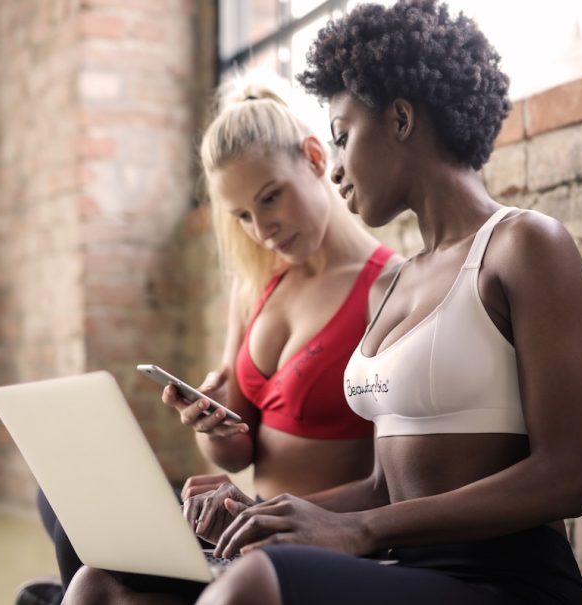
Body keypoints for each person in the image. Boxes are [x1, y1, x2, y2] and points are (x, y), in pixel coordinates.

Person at [63, 1, 582, 604]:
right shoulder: (397, 285)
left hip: (505, 577)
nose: (336, 168)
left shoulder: (524, 244)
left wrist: (360, 530)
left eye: (342, 137)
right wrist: (262, 511)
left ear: (400, 119)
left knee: (256, 584)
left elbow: (565, 478)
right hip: (400, 563)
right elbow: (381, 483)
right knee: (101, 582)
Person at [30, 75, 399, 605]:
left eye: (271, 198)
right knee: (64, 501)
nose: (262, 228)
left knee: (93, 570)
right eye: (244, 216)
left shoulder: (387, 288)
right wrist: (210, 421)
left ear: (316, 158)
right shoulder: (256, 288)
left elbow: (391, 481)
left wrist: (260, 509)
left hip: (306, 533)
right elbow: (234, 450)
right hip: (241, 519)